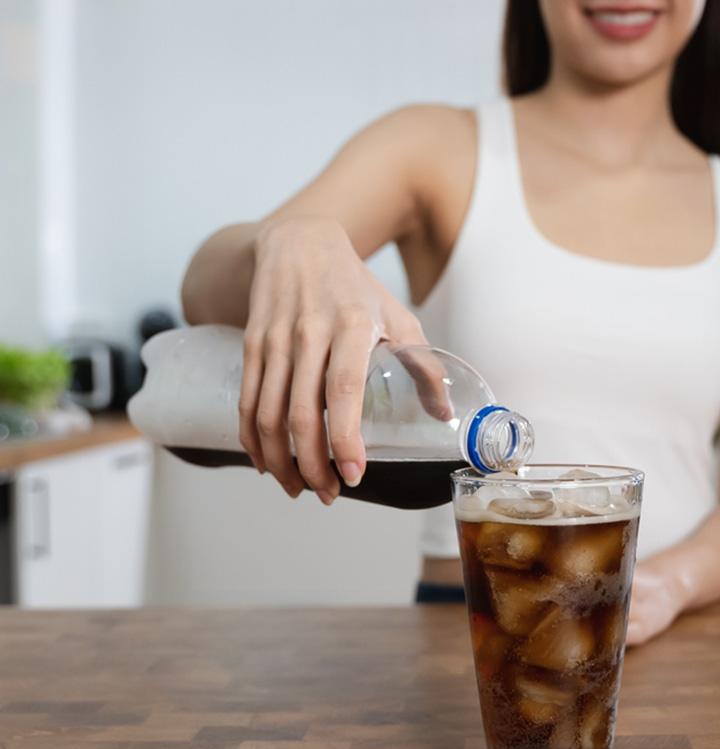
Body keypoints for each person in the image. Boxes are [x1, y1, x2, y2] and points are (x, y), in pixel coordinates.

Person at [181, 0, 720, 646]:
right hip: (470, 641)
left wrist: (673, 583)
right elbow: (202, 290)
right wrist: (291, 239)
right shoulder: (436, 151)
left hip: (687, 641)